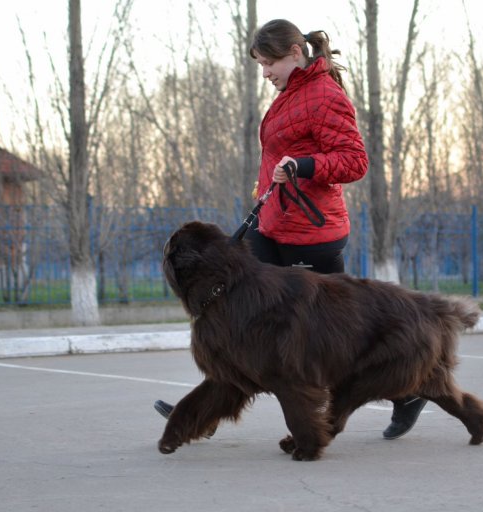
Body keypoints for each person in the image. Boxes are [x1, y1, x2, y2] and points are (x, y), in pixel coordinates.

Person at [154, 19, 427, 441]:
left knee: (337, 341)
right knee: (237, 322)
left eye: (269, 63)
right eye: (261, 65)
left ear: (296, 53)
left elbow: (354, 160)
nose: (265, 73)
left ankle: (409, 391)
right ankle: (202, 411)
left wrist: (305, 166)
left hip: (312, 237)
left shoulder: (323, 95)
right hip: (273, 226)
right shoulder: (290, 94)